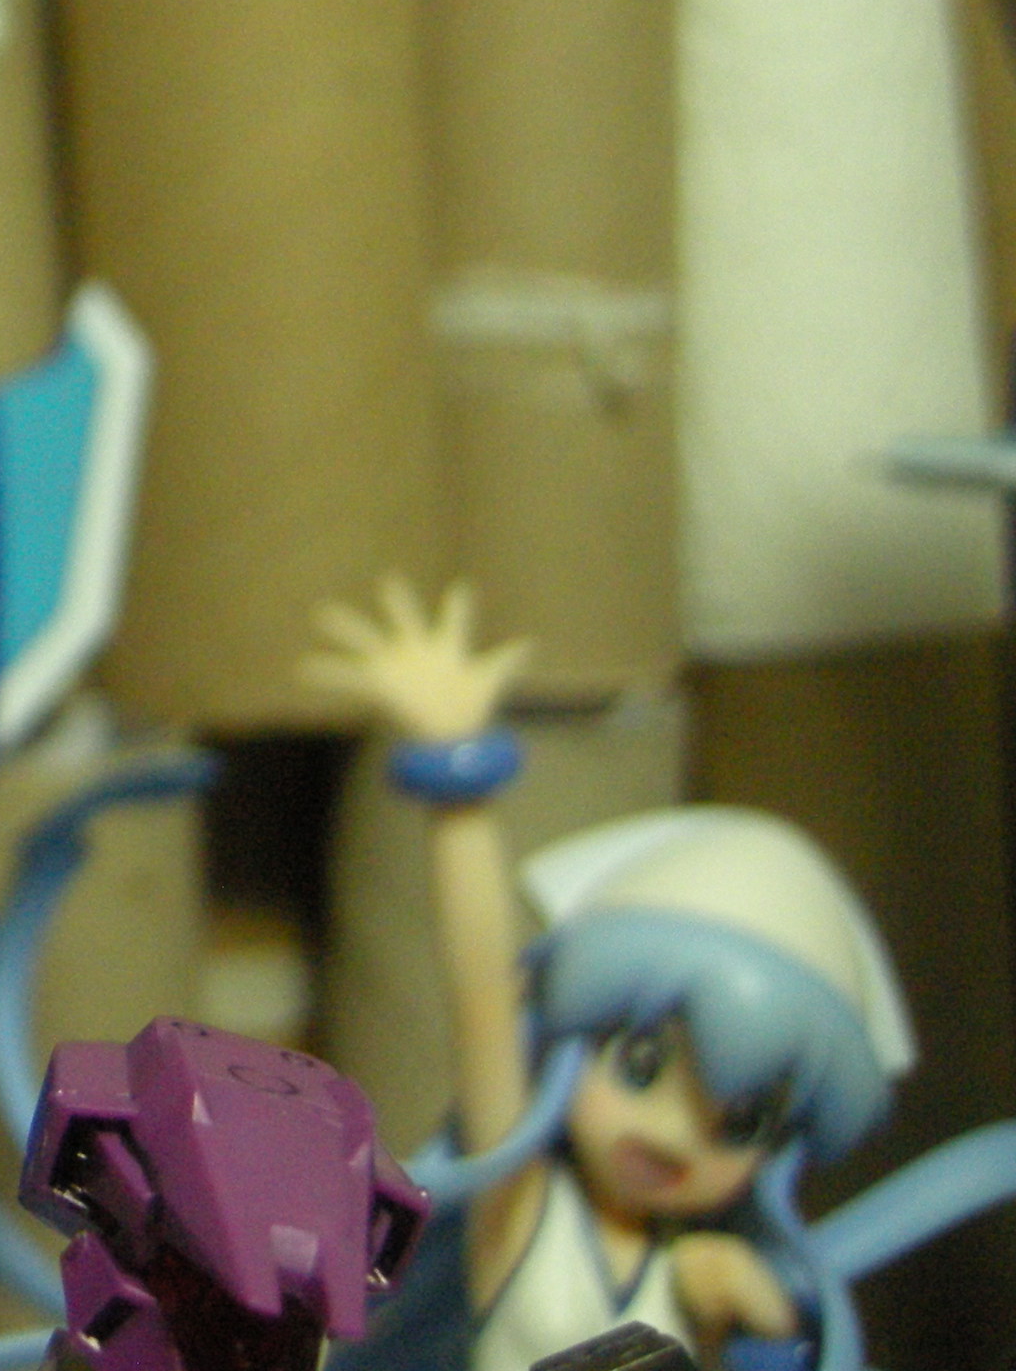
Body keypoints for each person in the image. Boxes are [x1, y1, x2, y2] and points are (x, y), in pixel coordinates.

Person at [303, 582, 910, 1371]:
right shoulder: (523, 1215)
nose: (672, 1132)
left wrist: (767, 1319)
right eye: (641, 1065)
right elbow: (483, 999)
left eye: (741, 1121)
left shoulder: (708, 1275)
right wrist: (459, 787)